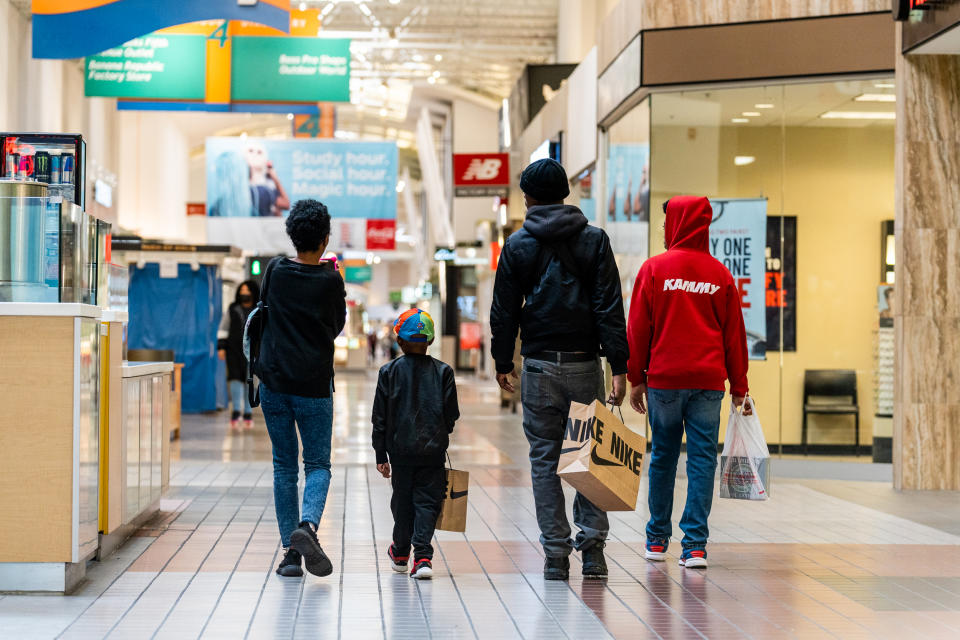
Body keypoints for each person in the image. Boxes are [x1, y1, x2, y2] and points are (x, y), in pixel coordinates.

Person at [490, 158, 630, 581]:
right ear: (566, 193)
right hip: (585, 365)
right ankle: (592, 552)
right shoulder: (594, 240)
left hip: (538, 367)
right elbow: (609, 307)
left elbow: (503, 311)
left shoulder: (517, 246)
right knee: (588, 456)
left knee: (544, 460)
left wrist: (502, 362)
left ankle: (554, 555)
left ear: (528, 197)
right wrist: (620, 366)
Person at [626, 195, 750, 570]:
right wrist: (740, 387)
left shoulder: (654, 270)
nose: (665, 230)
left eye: (668, 223)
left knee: (662, 457)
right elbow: (734, 337)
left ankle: (657, 539)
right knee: (701, 461)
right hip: (708, 384)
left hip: (664, 382)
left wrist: (635, 378)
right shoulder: (720, 275)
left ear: (679, 223)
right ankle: (694, 545)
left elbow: (637, 330)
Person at [256, 199, 346, 578]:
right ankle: (307, 527)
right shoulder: (331, 280)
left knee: (283, 467)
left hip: (275, 383)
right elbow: (337, 326)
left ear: (291, 236)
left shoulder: (275, 269)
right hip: (313, 385)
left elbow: (263, 310)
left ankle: (291, 556)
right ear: (325, 239)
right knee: (318, 464)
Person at [372, 309, 459, 580]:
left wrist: (380, 454)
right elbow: (451, 414)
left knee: (402, 501)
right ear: (430, 342)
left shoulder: (388, 372)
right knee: (428, 503)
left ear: (399, 341)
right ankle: (422, 557)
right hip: (432, 452)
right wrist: (441, 432)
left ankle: (399, 553)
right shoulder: (444, 372)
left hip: (400, 452)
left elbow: (379, 418)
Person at [218, 280, 260, 431]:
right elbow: (224, 328)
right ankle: (236, 412)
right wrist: (221, 347)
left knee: (251, 380)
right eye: (242, 291)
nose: (244, 294)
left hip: (254, 352)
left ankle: (248, 413)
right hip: (233, 351)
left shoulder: (258, 310)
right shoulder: (233, 309)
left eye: (247, 291)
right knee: (235, 378)